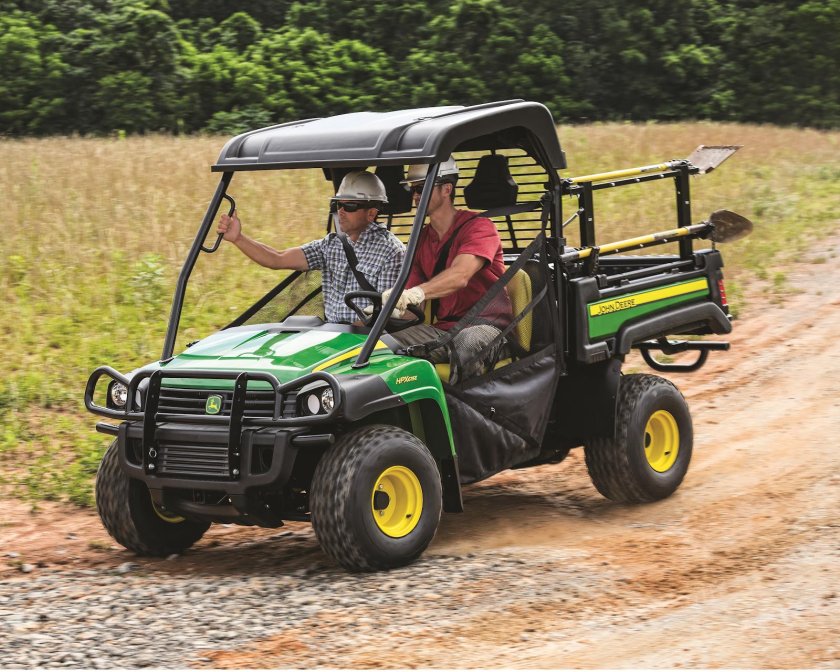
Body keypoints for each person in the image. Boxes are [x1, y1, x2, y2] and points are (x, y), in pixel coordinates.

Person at [217, 170, 405, 324]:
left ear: (371, 213)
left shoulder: (392, 252)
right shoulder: (331, 244)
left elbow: (382, 315)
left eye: (350, 206)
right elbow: (277, 258)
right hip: (330, 336)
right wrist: (238, 238)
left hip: (366, 341)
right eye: (338, 204)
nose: (340, 212)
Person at [385, 156, 512, 381]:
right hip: (444, 330)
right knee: (382, 346)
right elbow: (411, 305)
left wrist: (416, 293)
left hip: (488, 328)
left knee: (466, 343)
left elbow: (460, 275)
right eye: (412, 189)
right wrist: (386, 309)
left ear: (447, 189)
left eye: (421, 187)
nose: (415, 195)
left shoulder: (480, 228)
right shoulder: (421, 239)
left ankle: (468, 411)